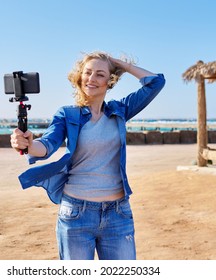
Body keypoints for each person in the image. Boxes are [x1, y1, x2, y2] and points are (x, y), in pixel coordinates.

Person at [10, 51, 165, 260]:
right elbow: (47, 144)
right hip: (76, 213)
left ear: (110, 81)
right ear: (80, 77)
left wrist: (120, 64)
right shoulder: (67, 114)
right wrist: (28, 144)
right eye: (88, 72)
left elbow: (155, 83)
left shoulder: (120, 110)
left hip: (118, 213)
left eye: (100, 74)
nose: (92, 79)